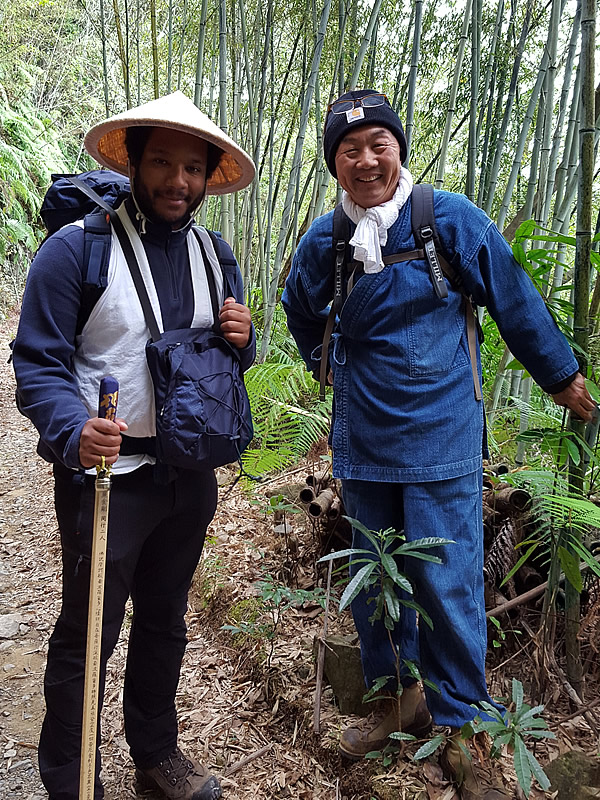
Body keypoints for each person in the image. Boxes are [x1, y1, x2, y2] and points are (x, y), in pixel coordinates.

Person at [282, 89, 596, 799]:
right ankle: (399, 697)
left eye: (377, 145)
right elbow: (299, 308)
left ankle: (463, 720)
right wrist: (324, 363)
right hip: (362, 437)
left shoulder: (447, 219)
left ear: (398, 148)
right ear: (335, 161)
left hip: (443, 434)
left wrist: (562, 376)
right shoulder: (326, 240)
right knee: (376, 579)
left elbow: (513, 296)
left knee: (449, 581)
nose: (365, 160)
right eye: (348, 150)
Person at [12, 91, 256, 800]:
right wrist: (69, 430)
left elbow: (217, 368)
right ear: (135, 163)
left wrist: (242, 343)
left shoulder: (218, 254)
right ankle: (71, 778)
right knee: (89, 630)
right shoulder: (77, 250)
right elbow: (38, 362)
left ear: (210, 175)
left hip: (189, 472)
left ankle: (155, 754)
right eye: (161, 162)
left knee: (166, 620)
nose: (176, 181)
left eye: (191, 167)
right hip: (108, 474)